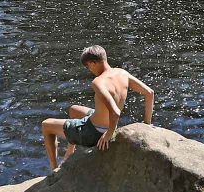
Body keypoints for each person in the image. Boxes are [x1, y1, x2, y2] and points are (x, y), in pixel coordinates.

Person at [40, 45, 154, 175]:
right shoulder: (122, 73)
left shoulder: (98, 82)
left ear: (92, 63)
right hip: (105, 123)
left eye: (88, 67)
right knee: (74, 110)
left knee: (46, 125)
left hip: (92, 132)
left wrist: (108, 135)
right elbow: (150, 93)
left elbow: (115, 112)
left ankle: (54, 171)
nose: (89, 70)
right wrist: (147, 123)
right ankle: (70, 151)